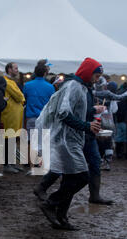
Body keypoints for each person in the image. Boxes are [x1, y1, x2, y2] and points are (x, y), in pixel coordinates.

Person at [35, 57, 103, 230]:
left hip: (72, 139)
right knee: (81, 177)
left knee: (70, 178)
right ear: (89, 72)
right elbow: (64, 113)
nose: (97, 79)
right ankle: (50, 203)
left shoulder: (81, 87)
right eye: (96, 75)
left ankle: (61, 217)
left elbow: (75, 112)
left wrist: (89, 121)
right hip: (65, 140)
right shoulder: (73, 86)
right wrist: (87, 126)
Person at [23, 64, 55, 175]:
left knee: (32, 142)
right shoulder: (50, 87)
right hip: (45, 118)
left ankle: (33, 167)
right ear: (45, 73)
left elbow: (24, 99)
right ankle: (43, 166)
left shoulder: (27, 85)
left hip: (31, 117)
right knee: (45, 141)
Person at [1, 62, 26, 173]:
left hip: (14, 116)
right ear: (9, 69)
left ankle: (11, 163)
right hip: (9, 116)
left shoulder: (10, 81)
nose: (17, 70)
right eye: (15, 68)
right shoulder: (7, 82)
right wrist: (21, 98)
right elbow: (20, 96)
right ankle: (7, 164)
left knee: (13, 139)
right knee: (9, 139)